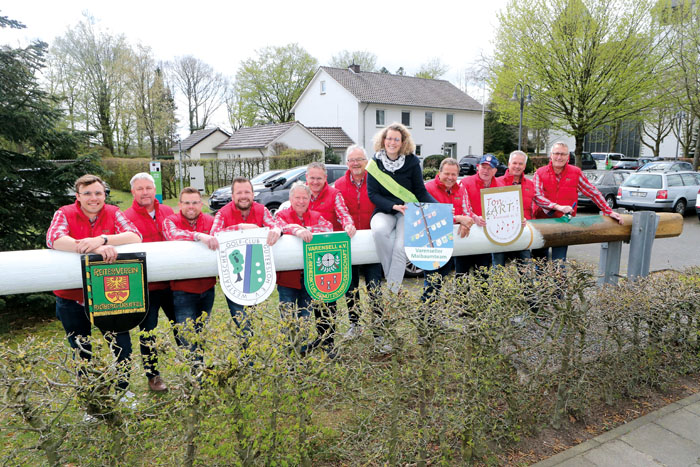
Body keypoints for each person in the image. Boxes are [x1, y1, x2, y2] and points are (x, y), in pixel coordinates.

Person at [47, 174, 142, 392]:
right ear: (78, 196)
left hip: (108, 295)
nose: (94, 198)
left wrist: (102, 239)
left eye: (98, 193)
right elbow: (54, 238)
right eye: (87, 193)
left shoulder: (113, 212)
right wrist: (93, 248)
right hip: (71, 297)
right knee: (81, 349)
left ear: (104, 195)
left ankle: (122, 390)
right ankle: (90, 396)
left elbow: (135, 235)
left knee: (122, 346)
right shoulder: (65, 213)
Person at [367, 122, 436, 293]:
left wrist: (439, 207)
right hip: (384, 210)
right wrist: (393, 206)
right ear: (383, 140)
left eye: (396, 139)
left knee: (400, 248)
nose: (392, 142)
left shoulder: (412, 161)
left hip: (408, 212)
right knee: (379, 232)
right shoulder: (374, 162)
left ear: (403, 141)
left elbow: (421, 191)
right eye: (389, 138)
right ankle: (394, 284)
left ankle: (391, 293)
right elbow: (372, 194)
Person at [210, 176, 282, 338]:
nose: (243, 196)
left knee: (256, 319)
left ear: (253, 194)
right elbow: (214, 235)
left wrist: (277, 231)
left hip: (257, 274)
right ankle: (248, 357)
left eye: (247, 192)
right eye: (239, 192)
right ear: (233, 195)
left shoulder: (262, 210)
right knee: (243, 323)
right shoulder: (222, 213)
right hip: (234, 277)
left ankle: (255, 354)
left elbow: (276, 225)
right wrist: (241, 227)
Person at [123, 172, 174, 392]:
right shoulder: (125, 217)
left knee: (182, 327)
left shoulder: (168, 211)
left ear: (155, 190)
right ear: (133, 192)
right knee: (148, 333)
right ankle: (153, 377)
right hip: (145, 287)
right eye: (140, 189)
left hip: (172, 283)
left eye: (148, 188)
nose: (145, 192)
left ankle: (194, 366)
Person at [532, 142, 624, 261]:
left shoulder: (575, 172)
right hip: (541, 223)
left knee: (559, 264)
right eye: (556, 153)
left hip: (563, 224)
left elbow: (592, 192)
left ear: (568, 157)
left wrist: (608, 211)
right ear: (551, 155)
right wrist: (557, 207)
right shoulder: (540, 172)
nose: (559, 157)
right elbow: (537, 197)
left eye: (563, 154)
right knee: (539, 263)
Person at [275, 182, 334, 355]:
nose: (301, 201)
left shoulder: (317, 216)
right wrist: (297, 230)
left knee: (305, 317)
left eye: (305, 197)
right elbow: (279, 227)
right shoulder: (281, 215)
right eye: (297, 197)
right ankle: (289, 351)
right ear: (290, 198)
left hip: (310, 277)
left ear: (310, 199)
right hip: (287, 278)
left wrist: (307, 229)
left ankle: (301, 351)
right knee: (287, 317)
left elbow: (327, 228)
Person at [333, 145, 384, 340]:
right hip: (349, 244)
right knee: (350, 288)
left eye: (360, 159)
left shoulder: (377, 180)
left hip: (372, 243)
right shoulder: (338, 185)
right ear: (347, 163)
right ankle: (355, 325)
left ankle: (378, 330)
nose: (356, 163)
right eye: (352, 160)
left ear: (366, 161)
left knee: (375, 288)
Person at [305, 161, 356, 349]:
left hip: (330, 252)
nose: (315, 182)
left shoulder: (334, 194)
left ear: (325, 178)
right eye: (312, 178)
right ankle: (320, 335)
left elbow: (343, 214)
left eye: (319, 178)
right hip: (310, 253)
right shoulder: (303, 195)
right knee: (314, 296)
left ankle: (329, 341)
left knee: (328, 295)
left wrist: (349, 225)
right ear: (306, 178)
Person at [162, 187, 217, 357]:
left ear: (201, 204)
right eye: (186, 203)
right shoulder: (170, 220)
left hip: (207, 288)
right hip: (182, 290)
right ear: (179, 204)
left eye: (195, 202)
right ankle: (193, 375)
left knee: (201, 333)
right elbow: (173, 235)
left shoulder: (210, 220)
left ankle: (199, 370)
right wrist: (199, 236)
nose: (191, 206)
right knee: (186, 335)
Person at [422, 157, 474, 301]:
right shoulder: (428, 188)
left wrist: (465, 222)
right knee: (432, 283)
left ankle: (430, 316)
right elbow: (426, 216)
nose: (450, 178)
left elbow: (467, 211)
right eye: (447, 174)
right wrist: (458, 219)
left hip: (450, 243)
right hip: (431, 244)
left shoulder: (461, 189)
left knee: (440, 281)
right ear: (439, 173)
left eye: (454, 174)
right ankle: (424, 315)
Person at [460, 154, 502, 273]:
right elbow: (463, 207)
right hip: (466, 234)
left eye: (490, 168)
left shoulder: (501, 187)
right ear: (478, 167)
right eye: (483, 167)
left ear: (495, 171)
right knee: (462, 275)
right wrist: (474, 218)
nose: (486, 171)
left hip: (486, 237)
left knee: (483, 274)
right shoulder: (465, 183)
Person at [493, 150, 535, 267]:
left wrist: (558, 207)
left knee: (526, 271)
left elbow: (539, 202)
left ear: (524, 166)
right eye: (514, 163)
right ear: (509, 163)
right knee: (498, 271)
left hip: (522, 234)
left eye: (520, 164)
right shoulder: (496, 182)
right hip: (499, 236)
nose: (517, 166)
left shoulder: (530, 185)